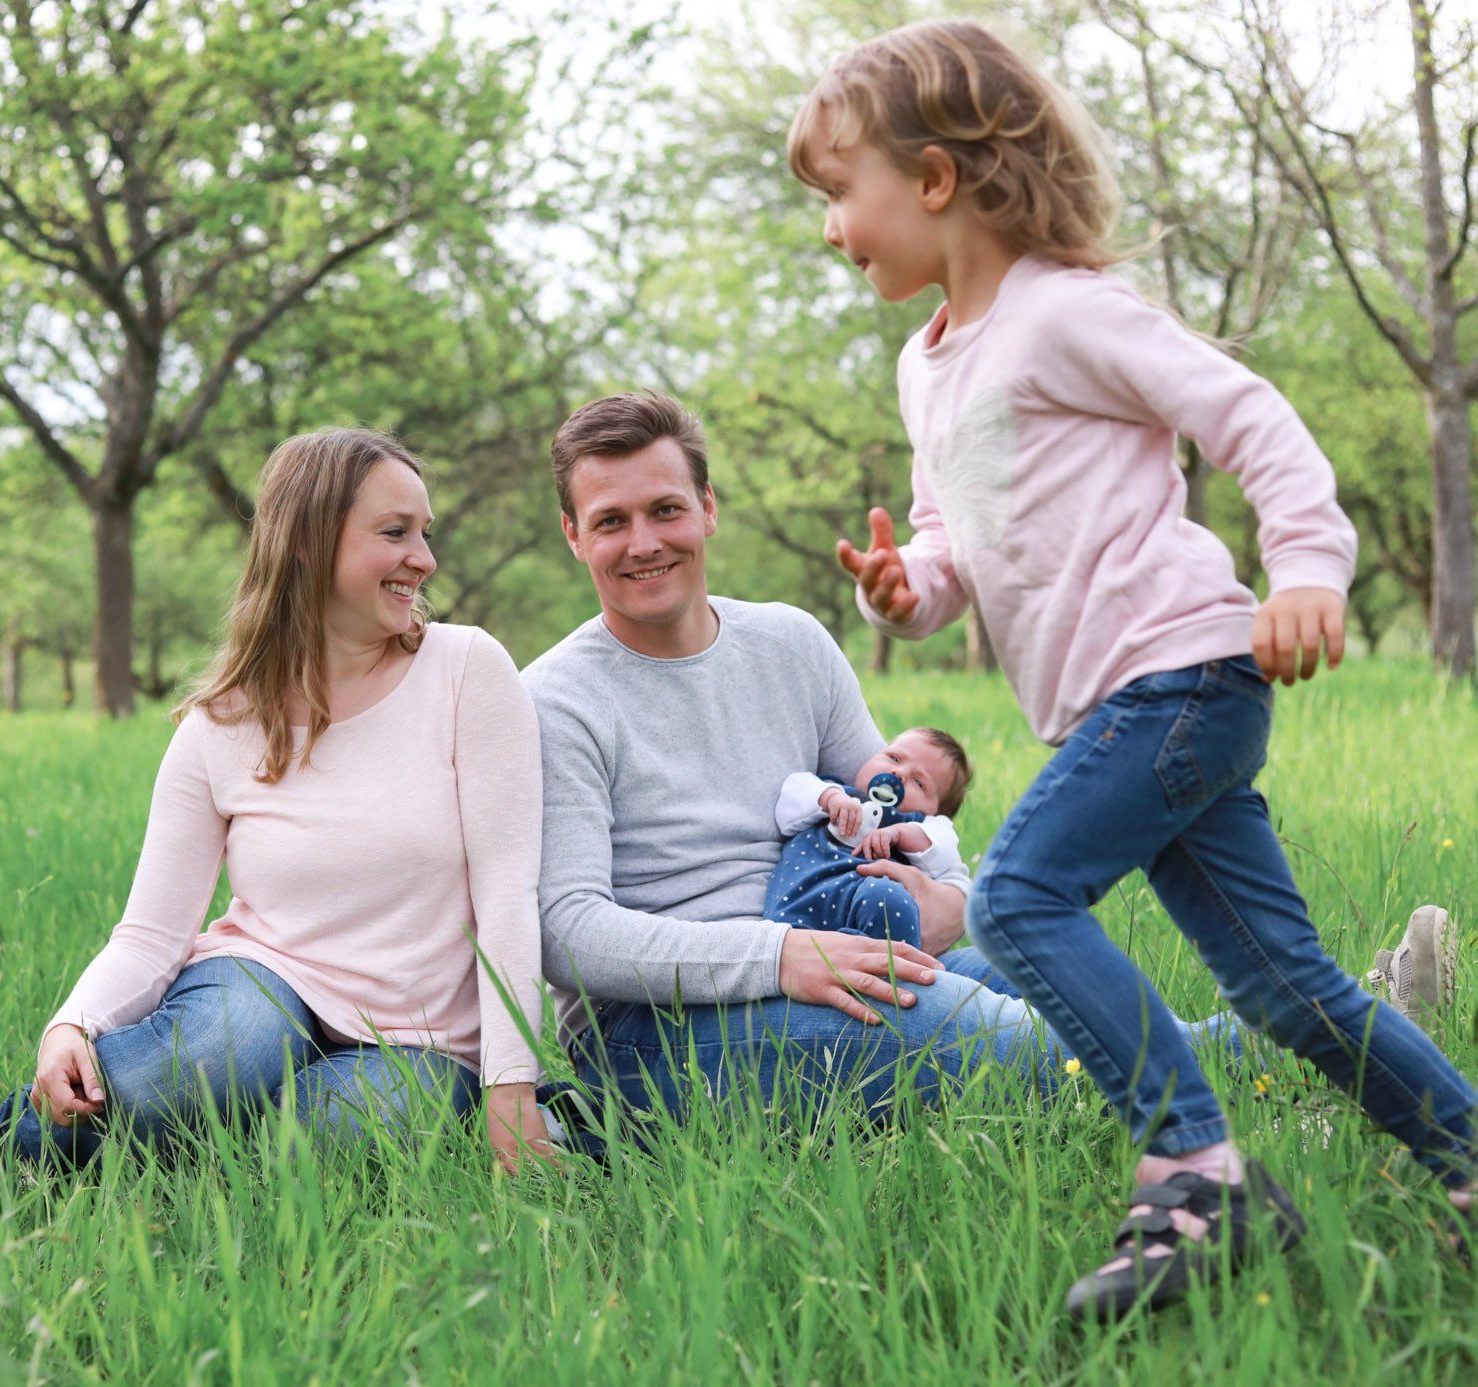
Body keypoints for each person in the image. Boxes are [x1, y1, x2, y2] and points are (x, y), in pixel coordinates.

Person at [790, 19, 1475, 1316]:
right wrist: (911, 587)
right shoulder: (924, 370)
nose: (834, 227)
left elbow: (1251, 419)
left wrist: (1312, 567)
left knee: (1021, 896)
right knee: (1281, 983)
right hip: (1133, 707)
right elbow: (955, 543)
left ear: (935, 179)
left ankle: (1197, 1175)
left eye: (843, 193)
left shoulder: (1067, 311)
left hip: (1182, 678)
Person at [525, 390, 1243, 1143]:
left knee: (1061, 987)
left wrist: (953, 901)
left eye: (664, 509)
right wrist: (778, 956)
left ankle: (1289, 1058)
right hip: (651, 1033)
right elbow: (569, 933)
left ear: (708, 507)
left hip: (833, 950)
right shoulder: (553, 698)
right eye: (611, 520)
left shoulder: (791, 644)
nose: (643, 542)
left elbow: (898, 814)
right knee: (986, 1035)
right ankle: (1315, 1038)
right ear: (574, 535)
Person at [0, 429, 553, 1173]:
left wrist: (513, 1088)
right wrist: (73, 1021)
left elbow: (509, 893)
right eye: (395, 532)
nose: (425, 557)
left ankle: (174, 1170)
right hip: (264, 983)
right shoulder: (222, 721)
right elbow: (151, 933)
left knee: (316, 1147)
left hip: (422, 1038)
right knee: (221, 1053)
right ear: (307, 543)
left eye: (425, 532)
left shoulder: (466, 669)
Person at [766, 726, 973, 946]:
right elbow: (790, 799)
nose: (900, 774)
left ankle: (887, 966)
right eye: (894, 758)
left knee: (889, 900)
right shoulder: (831, 790)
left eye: (919, 783)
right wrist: (830, 798)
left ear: (935, 811)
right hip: (799, 903)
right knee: (793, 943)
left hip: (868, 909)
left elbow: (944, 850)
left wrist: (900, 833)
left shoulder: (922, 824)